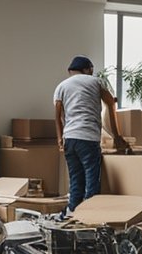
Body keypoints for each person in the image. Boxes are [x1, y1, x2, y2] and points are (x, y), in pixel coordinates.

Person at [54, 55, 128, 214]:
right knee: (92, 182)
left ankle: (73, 216)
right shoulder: (96, 82)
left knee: (75, 181)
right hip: (88, 138)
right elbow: (111, 105)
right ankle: (90, 217)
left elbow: (58, 116)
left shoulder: (61, 86)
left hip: (70, 140)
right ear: (88, 69)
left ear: (70, 71)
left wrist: (60, 139)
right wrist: (117, 136)